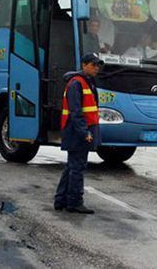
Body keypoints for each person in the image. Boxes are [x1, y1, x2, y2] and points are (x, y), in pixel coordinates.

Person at [54, 53, 103, 214]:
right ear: (84, 65)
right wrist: (85, 132)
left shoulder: (87, 82)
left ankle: (61, 200)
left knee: (72, 166)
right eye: (93, 64)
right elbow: (76, 112)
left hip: (78, 131)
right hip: (77, 132)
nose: (96, 68)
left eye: (98, 65)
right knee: (77, 168)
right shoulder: (76, 84)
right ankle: (74, 202)